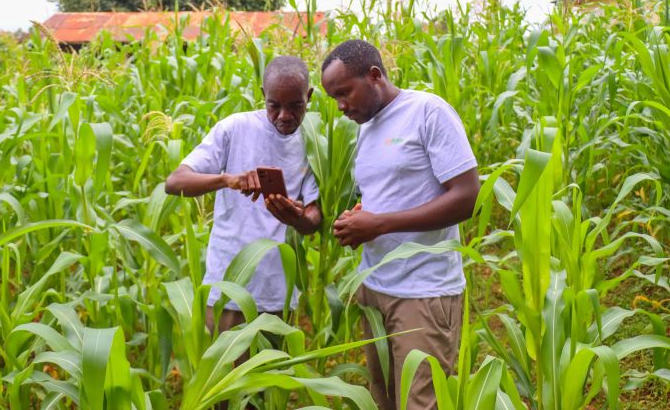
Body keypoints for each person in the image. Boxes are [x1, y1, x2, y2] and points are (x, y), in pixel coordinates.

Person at [321, 40, 480, 410]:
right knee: (385, 400)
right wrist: (361, 217)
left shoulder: (427, 112)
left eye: (344, 93)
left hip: (422, 293)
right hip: (375, 287)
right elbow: (392, 192)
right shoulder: (365, 126)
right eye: (334, 98)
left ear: (374, 76)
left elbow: (467, 196)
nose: (341, 106)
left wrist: (379, 224)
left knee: (421, 403)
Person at [165, 55, 322, 332]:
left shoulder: (313, 144)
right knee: (226, 369)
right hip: (229, 287)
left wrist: (296, 217)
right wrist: (228, 180)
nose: (284, 116)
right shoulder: (235, 128)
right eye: (274, 105)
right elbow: (176, 182)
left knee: (270, 373)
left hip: (278, 293)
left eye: (296, 106)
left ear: (308, 96)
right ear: (263, 95)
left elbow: (313, 218)